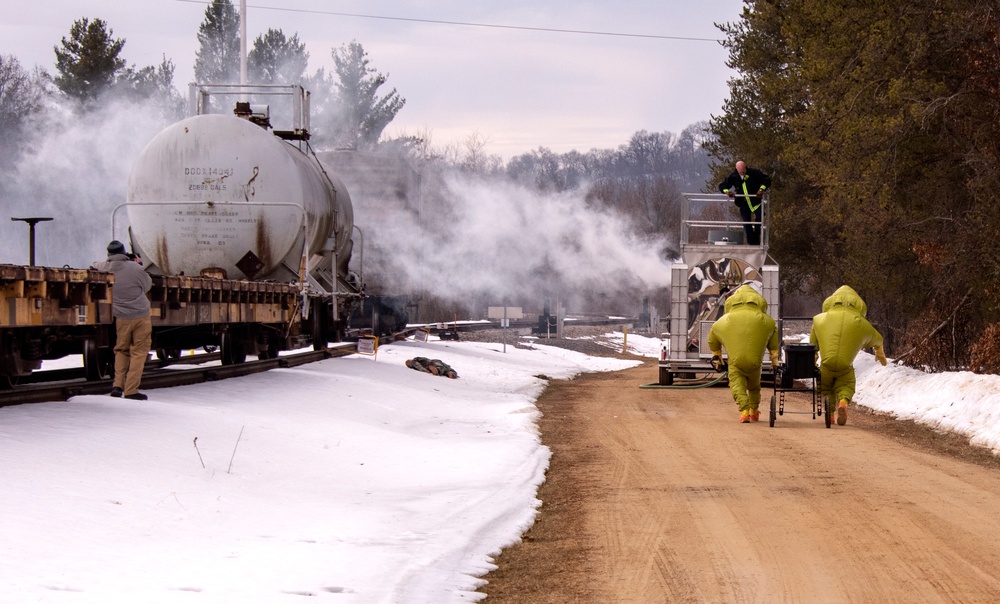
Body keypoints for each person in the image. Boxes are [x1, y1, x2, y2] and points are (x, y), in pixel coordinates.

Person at [810, 285, 887, 426]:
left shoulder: (819, 320)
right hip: (845, 366)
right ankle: (843, 402)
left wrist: (812, 361)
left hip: (826, 365)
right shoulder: (861, 323)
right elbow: (877, 338)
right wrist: (879, 350)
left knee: (826, 388)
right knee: (847, 385)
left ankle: (830, 415)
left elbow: (813, 347)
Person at [707, 284, 781, 423]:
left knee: (737, 385)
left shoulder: (723, 321)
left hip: (735, 362)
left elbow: (712, 336)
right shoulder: (768, 322)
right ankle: (754, 411)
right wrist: (774, 361)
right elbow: (773, 342)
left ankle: (744, 411)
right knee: (754, 387)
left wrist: (717, 355)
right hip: (755, 362)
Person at [92, 240, 153, 400]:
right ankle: (131, 390)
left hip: (121, 317)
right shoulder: (136, 268)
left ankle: (117, 386)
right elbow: (147, 286)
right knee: (139, 352)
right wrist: (137, 263)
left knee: (121, 350)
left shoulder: (104, 267)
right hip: (141, 315)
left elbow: (94, 265)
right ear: (124, 252)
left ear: (109, 254)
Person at [718, 160, 772, 245]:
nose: (742, 173)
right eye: (740, 172)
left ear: (745, 167)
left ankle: (757, 239)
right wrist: (727, 192)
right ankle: (751, 242)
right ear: (736, 169)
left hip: (756, 202)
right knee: (747, 223)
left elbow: (766, 180)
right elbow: (722, 185)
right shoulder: (734, 176)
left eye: (743, 171)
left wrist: (761, 189)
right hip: (743, 204)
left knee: (759, 220)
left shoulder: (754, 173)